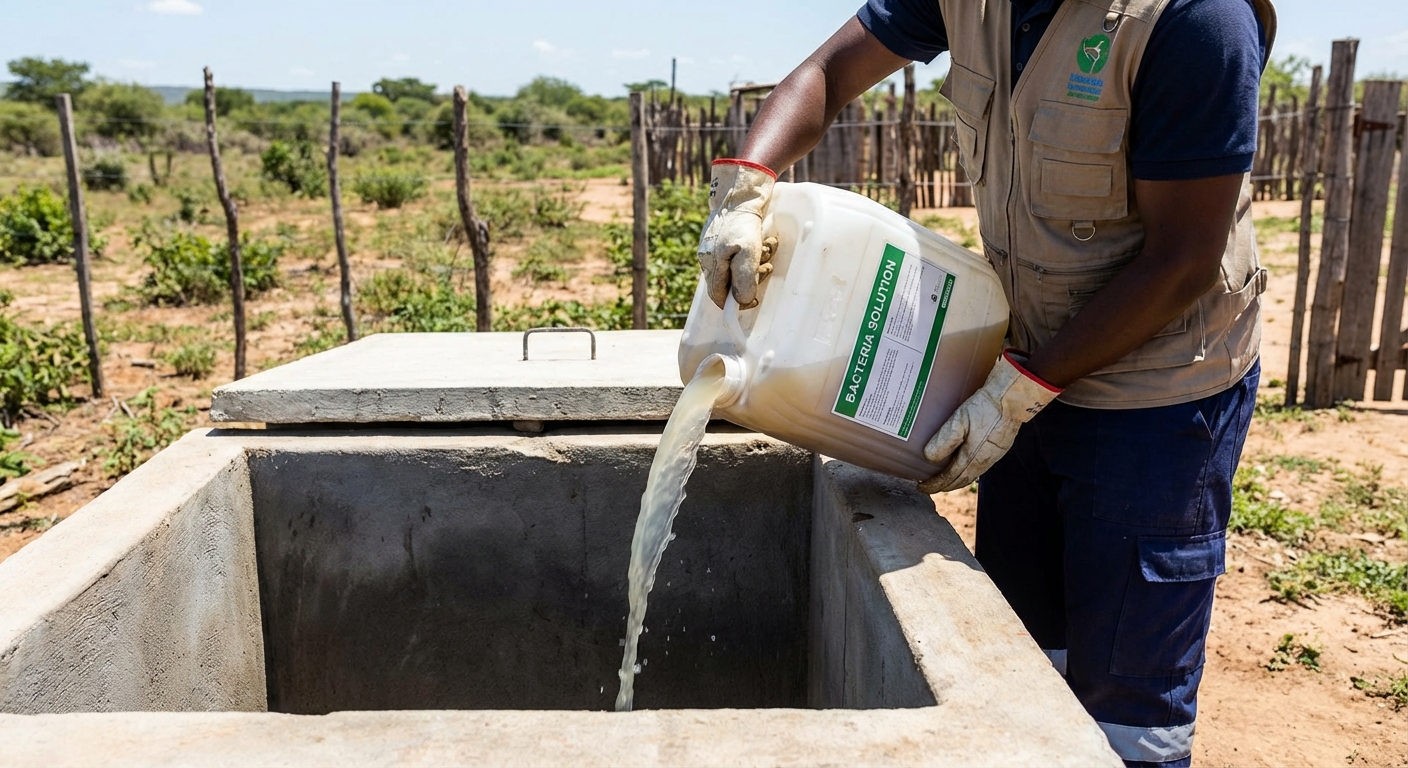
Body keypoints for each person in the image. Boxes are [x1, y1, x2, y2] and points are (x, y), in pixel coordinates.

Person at [695, 0, 1275, 764]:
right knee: (1026, 658)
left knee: (1128, 704)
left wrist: (1018, 392)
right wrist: (748, 180)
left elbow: (1183, 261)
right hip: (1026, 358)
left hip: (1157, 396)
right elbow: (829, 72)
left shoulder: (1195, 21)